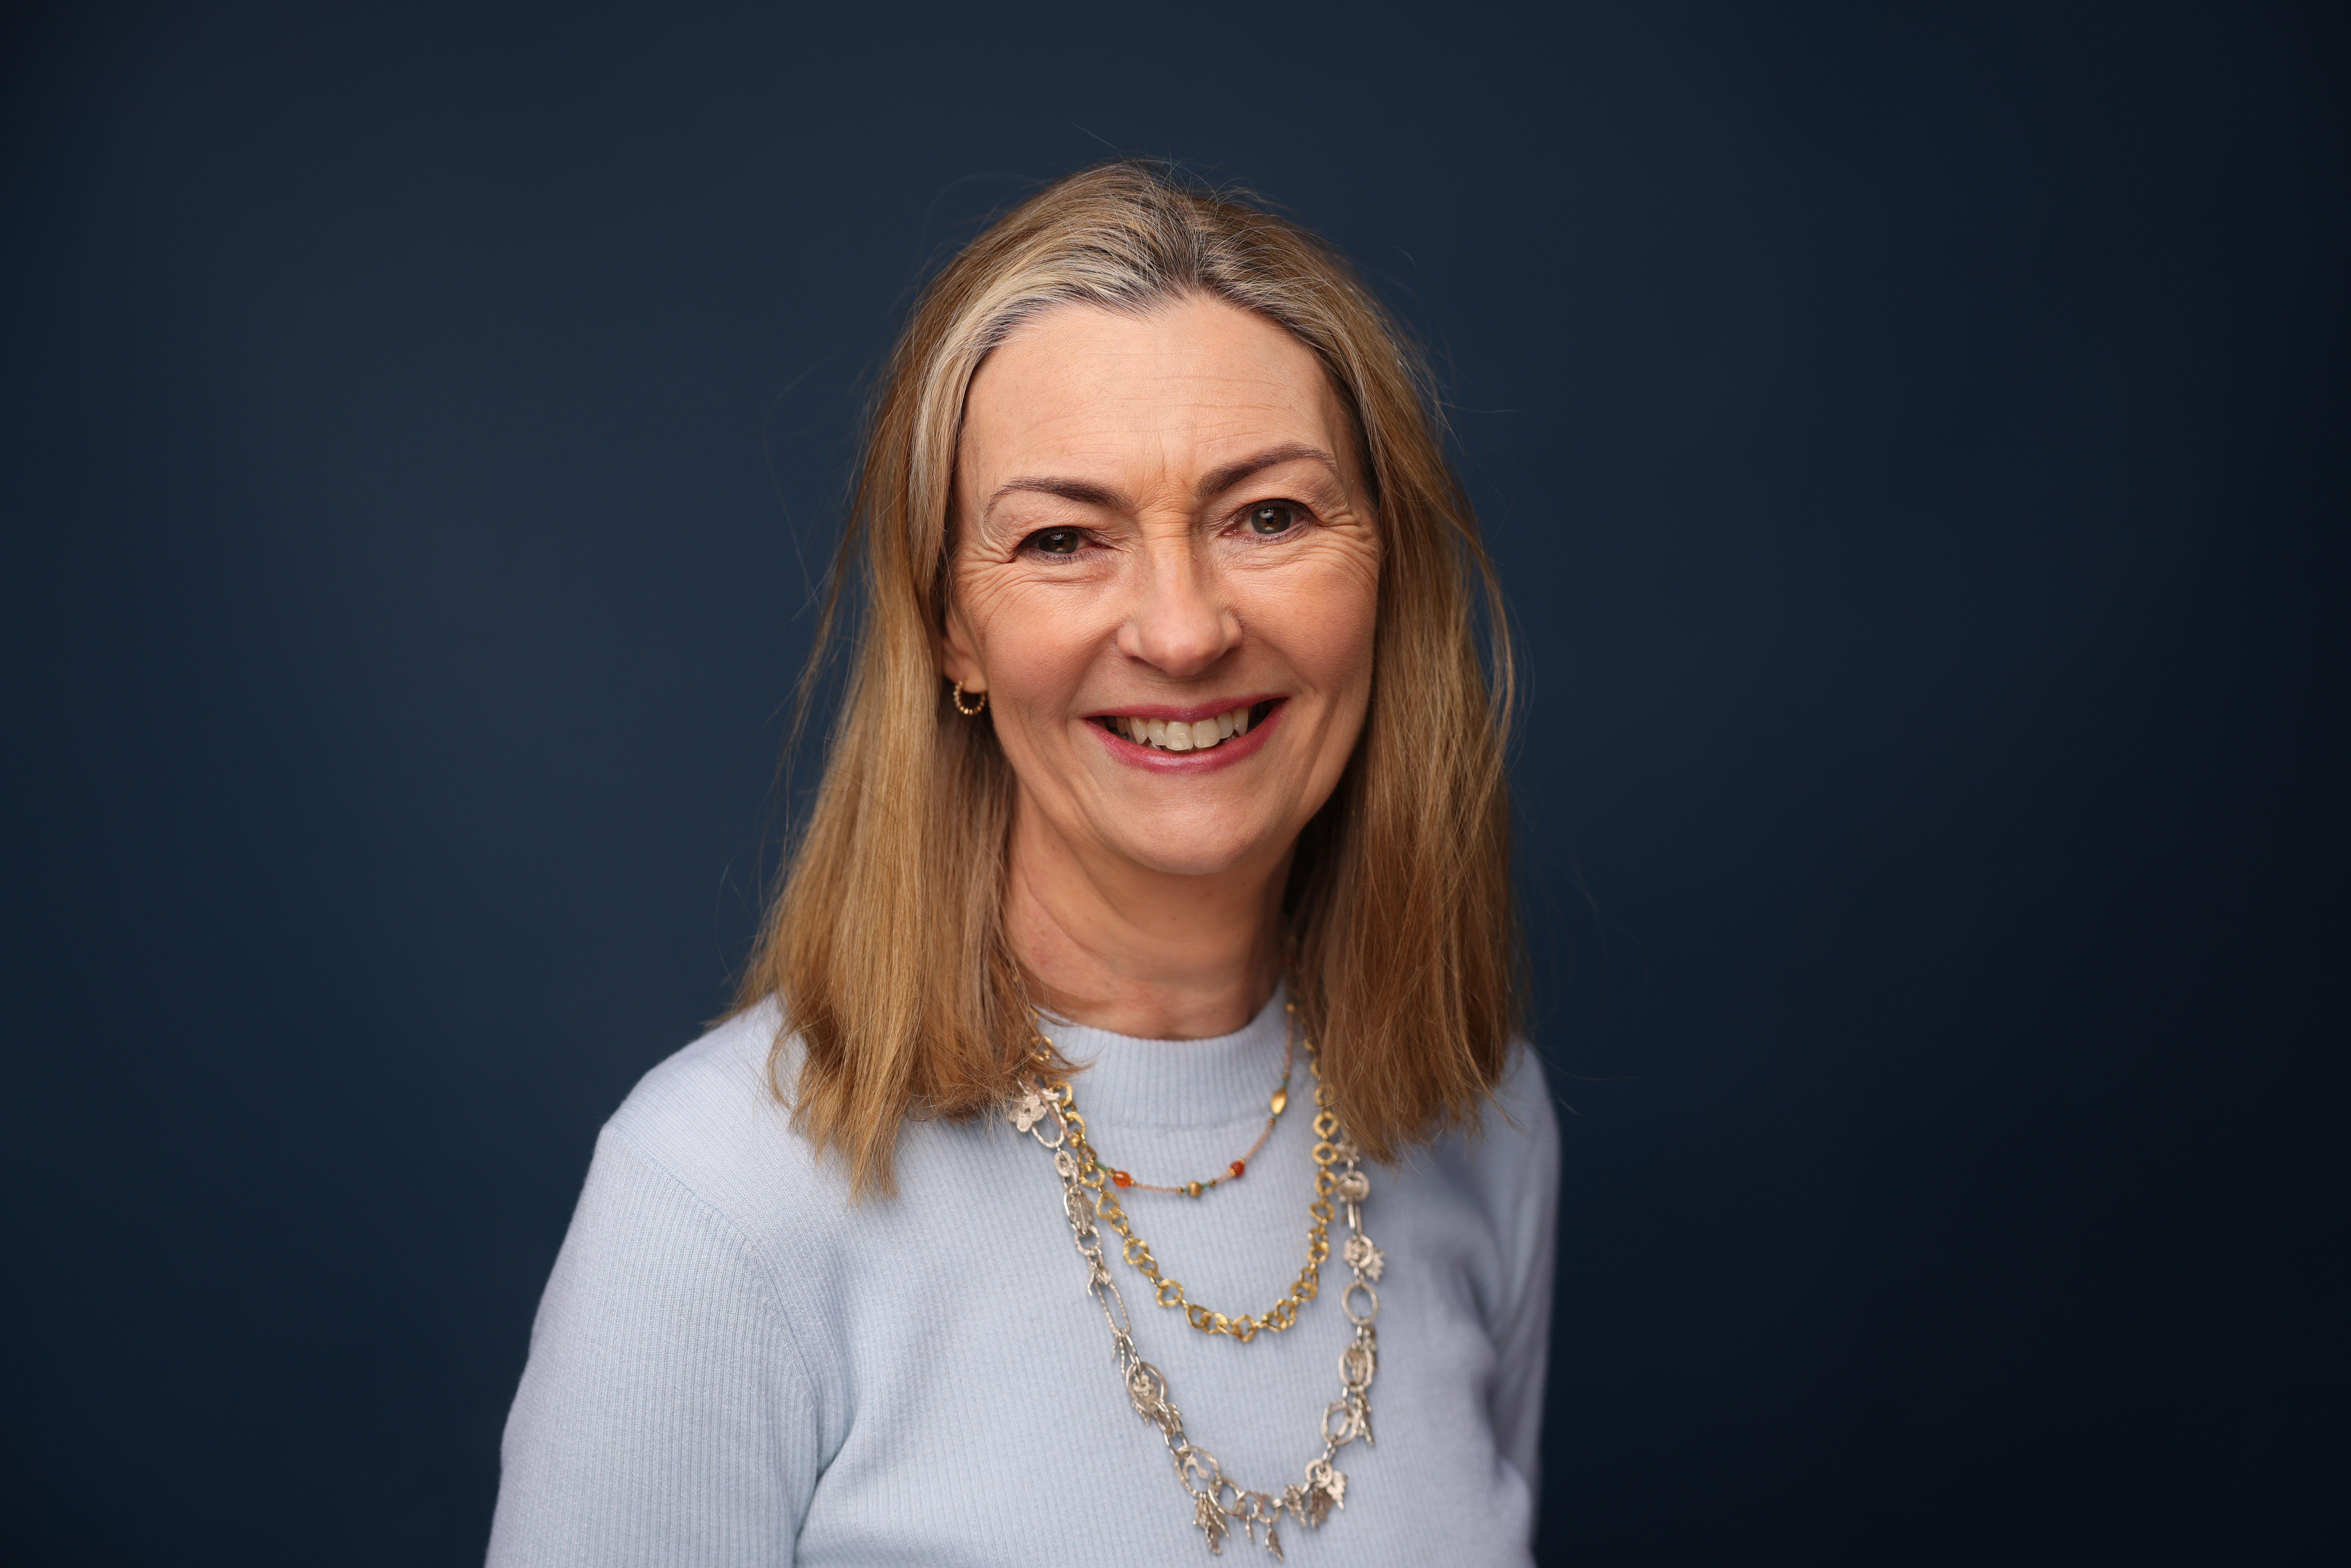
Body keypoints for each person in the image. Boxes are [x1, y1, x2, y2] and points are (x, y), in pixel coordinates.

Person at [486, 161, 1559, 1567]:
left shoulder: (1486, 1126)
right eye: (1063, 539)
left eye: (1269, 517)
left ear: (1385, 575)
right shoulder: (716, 1203)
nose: (1181, 632)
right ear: (953, 633)